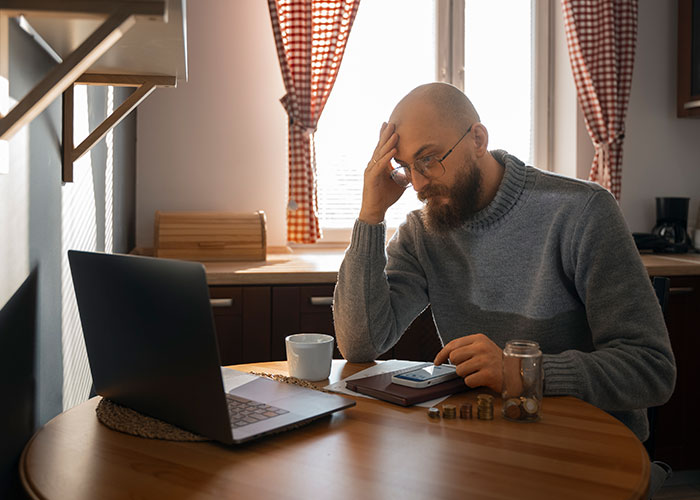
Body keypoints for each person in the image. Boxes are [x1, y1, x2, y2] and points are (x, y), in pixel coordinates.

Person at [332, 82, 676, 445]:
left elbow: (651, 370)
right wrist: (371, 215)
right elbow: (360, 344)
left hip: (586, 446)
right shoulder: (424, 231)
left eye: (429, 159)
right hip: (486, 444)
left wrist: (522, 372)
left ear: (478, 140)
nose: (417, 185)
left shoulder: (582, 212)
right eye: (406, 167)